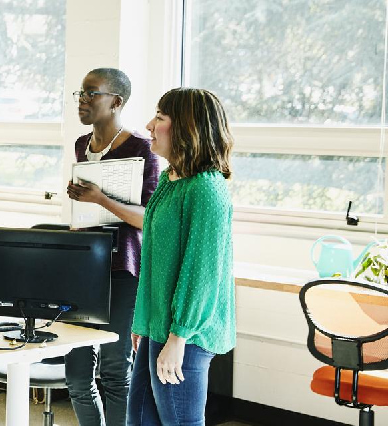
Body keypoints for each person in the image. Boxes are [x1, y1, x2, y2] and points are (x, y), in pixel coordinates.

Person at [128, 87, 236, 426]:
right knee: (140, 421)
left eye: (159, 118)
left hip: (185, 333)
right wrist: (142, 321)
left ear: (187, 128)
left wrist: (179, 337)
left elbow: (201, 273)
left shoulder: (206, 189)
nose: (148, 125)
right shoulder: (170, 179)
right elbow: (156, 260)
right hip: (160, 325)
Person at [62, 68, 160, 426]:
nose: (83, 101)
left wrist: (101, 199)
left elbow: (149, 217)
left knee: (116, 370)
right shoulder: (80, 145)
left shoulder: (142, 149)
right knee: (75, 373)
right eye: (81, 94)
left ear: (116, 102)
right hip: (86, 265)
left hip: (123, 269)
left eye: (91, 93)